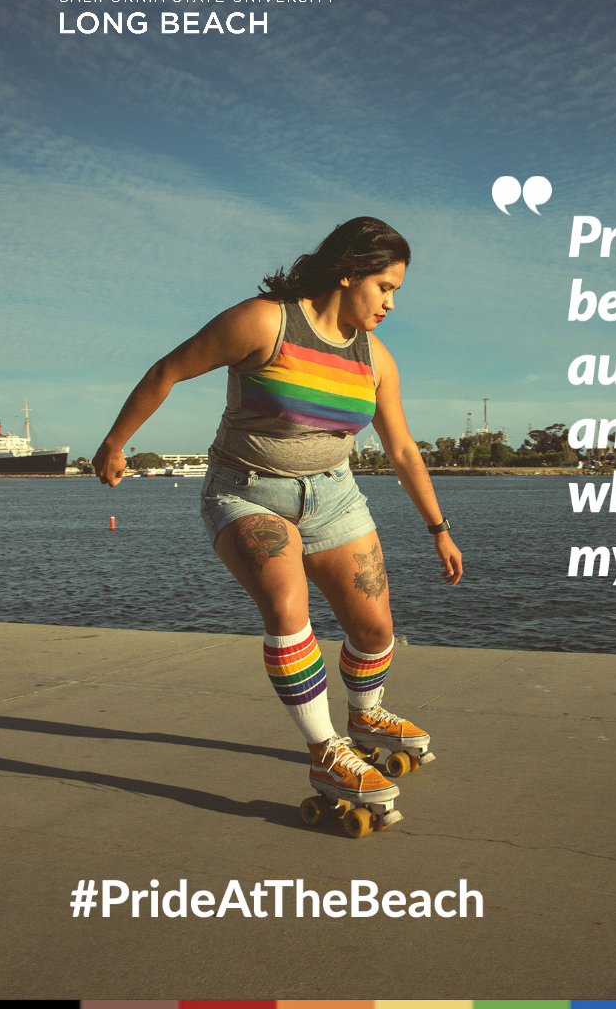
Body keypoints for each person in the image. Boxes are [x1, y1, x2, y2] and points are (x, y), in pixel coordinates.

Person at [93, 216, 462, 830]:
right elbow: (169, 370)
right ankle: (325, 754)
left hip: (336, 497)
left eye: (397, 291)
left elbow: (400, 448)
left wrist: (438, 528)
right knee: (289, 610)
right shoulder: (265, 321)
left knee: (374, 628)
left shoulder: (377, 359)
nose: (391, 303)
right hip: (247, 493)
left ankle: (365, 715)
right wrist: (114, 443)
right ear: (348, 272)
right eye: (385, 287)